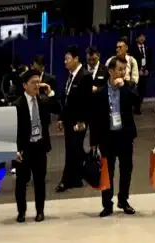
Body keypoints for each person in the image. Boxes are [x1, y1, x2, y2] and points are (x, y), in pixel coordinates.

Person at [90, 57, 140, 217]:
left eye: (125, 69)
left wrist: (123, 87)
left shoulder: (128, 86)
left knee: (126, 169)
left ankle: (123, 200)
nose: (123, 72)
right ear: (111, 71)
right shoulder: (100, 92)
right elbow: (95, 119)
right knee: (107, 171)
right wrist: (94, 141)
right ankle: (107, 204)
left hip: (124, 135)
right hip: (107, 137)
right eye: (120, 69)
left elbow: (136, 101)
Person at [14, 69, 54, 223]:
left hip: (40, 147)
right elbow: (14, 130)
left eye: (38, 82)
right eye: (33, 82)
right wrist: (16, 150)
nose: (37, 85)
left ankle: (40, 211)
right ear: (25, 85)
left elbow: (58, 108)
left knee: (40, 181)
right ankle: (21, 211)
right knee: (21, 181)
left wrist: (50, 93)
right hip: (25, 148)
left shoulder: (43, 101)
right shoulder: (17, 105)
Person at [56, 46, 91, 193]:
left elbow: (86, 101)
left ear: (76, 59)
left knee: (73, 148)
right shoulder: (70, 76)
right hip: (69, 119)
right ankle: (76, 178)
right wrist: (61, 118)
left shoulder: (85, 76)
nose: (65, 62)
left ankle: (66, 180)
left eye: (68, 59)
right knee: (72, 149)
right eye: (65, 59)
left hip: (78, 121)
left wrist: (82, 121)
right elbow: (66, 99)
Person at [133, 32, 151, 114]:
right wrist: (137, 70)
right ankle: (136, 107)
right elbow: (132, 61)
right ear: (137, 38)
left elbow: (149, 60)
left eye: (143, 36)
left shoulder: (147, 48)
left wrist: (147, 69)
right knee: (136, 91)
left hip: (145, 71)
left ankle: (138, 106)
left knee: (143, 90)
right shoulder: (133, 48)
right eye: (140, 36)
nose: (142, 38)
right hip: (136, 72)